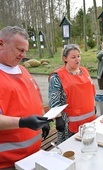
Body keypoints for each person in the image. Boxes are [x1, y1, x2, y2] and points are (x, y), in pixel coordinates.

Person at [0, 26, 50, 169]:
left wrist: (43, 118)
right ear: (1, 44)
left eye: (25, 51)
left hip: (33, 155)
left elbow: (34, 98)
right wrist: (23, 122)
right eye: (20, 50)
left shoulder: (22, 70)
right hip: (8, 163)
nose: (23, 55)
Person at [49, 44, 96, 144]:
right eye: (73, 57)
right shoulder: (57, 77)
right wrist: (58, 118)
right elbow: (54, 100)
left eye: (78, 56)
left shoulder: (84, 71)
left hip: (89, 122)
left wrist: (94, 105)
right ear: (65, 58)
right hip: (69, 125)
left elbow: (91, 90)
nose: (77, 59)